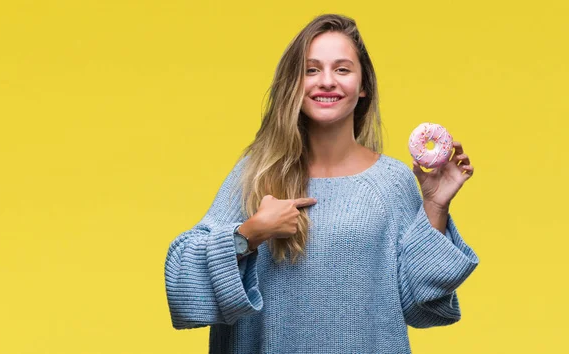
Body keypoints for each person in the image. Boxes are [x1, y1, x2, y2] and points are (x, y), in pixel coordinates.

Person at [164, 13, 479, 354]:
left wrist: (434, 205)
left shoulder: (392, 182)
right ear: (293, 85)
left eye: (342, 69)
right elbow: (183, 285)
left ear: (363, 88)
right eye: (311, 70)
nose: (326, 81)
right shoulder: (255, 175)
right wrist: (251, 233)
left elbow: (422, 306)